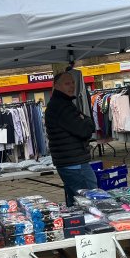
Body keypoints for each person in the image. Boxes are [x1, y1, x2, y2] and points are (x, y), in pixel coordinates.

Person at [45, 71, 97, 206]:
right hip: (74, 163)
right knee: (90, 201)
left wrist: (84, 120)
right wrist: (87, 121)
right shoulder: (62, 106)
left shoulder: (62, 103)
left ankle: (77, 225)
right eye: (67, 83)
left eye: (73, 83)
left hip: (69, 161)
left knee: (75, 202)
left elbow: (83, 124)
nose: (72, 86)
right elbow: (85, 130)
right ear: (57, 86)